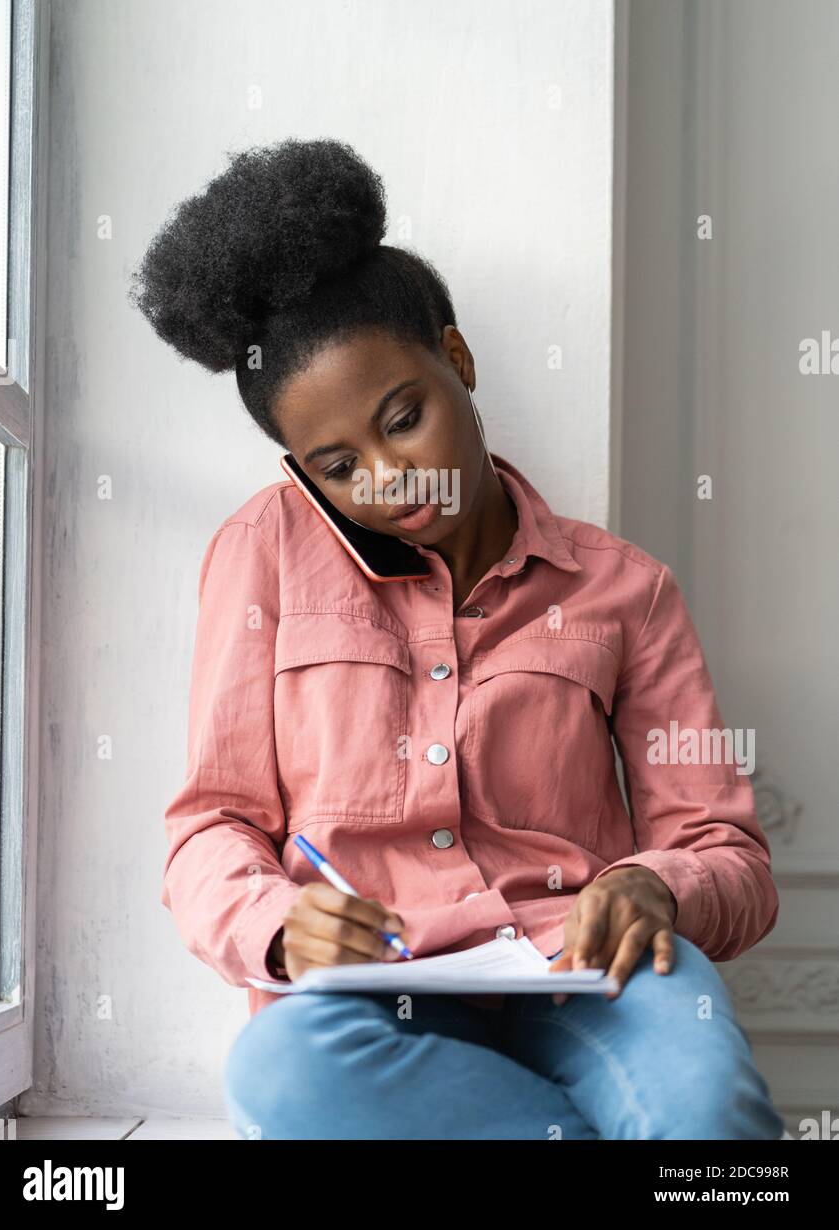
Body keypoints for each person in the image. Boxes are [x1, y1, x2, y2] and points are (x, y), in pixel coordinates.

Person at [130, 138, 787, 1140]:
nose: (387, 479)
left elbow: (724, 851)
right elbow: (209, 828)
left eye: (404, 418)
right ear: (300, 471)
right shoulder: (259, 555)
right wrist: (275, 922)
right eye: (338, 464)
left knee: (706, 1107)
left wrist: (653, 883)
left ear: (458, 362)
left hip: (585, 970)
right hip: (369, 997)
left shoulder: (624, 590)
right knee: (280, 1073)